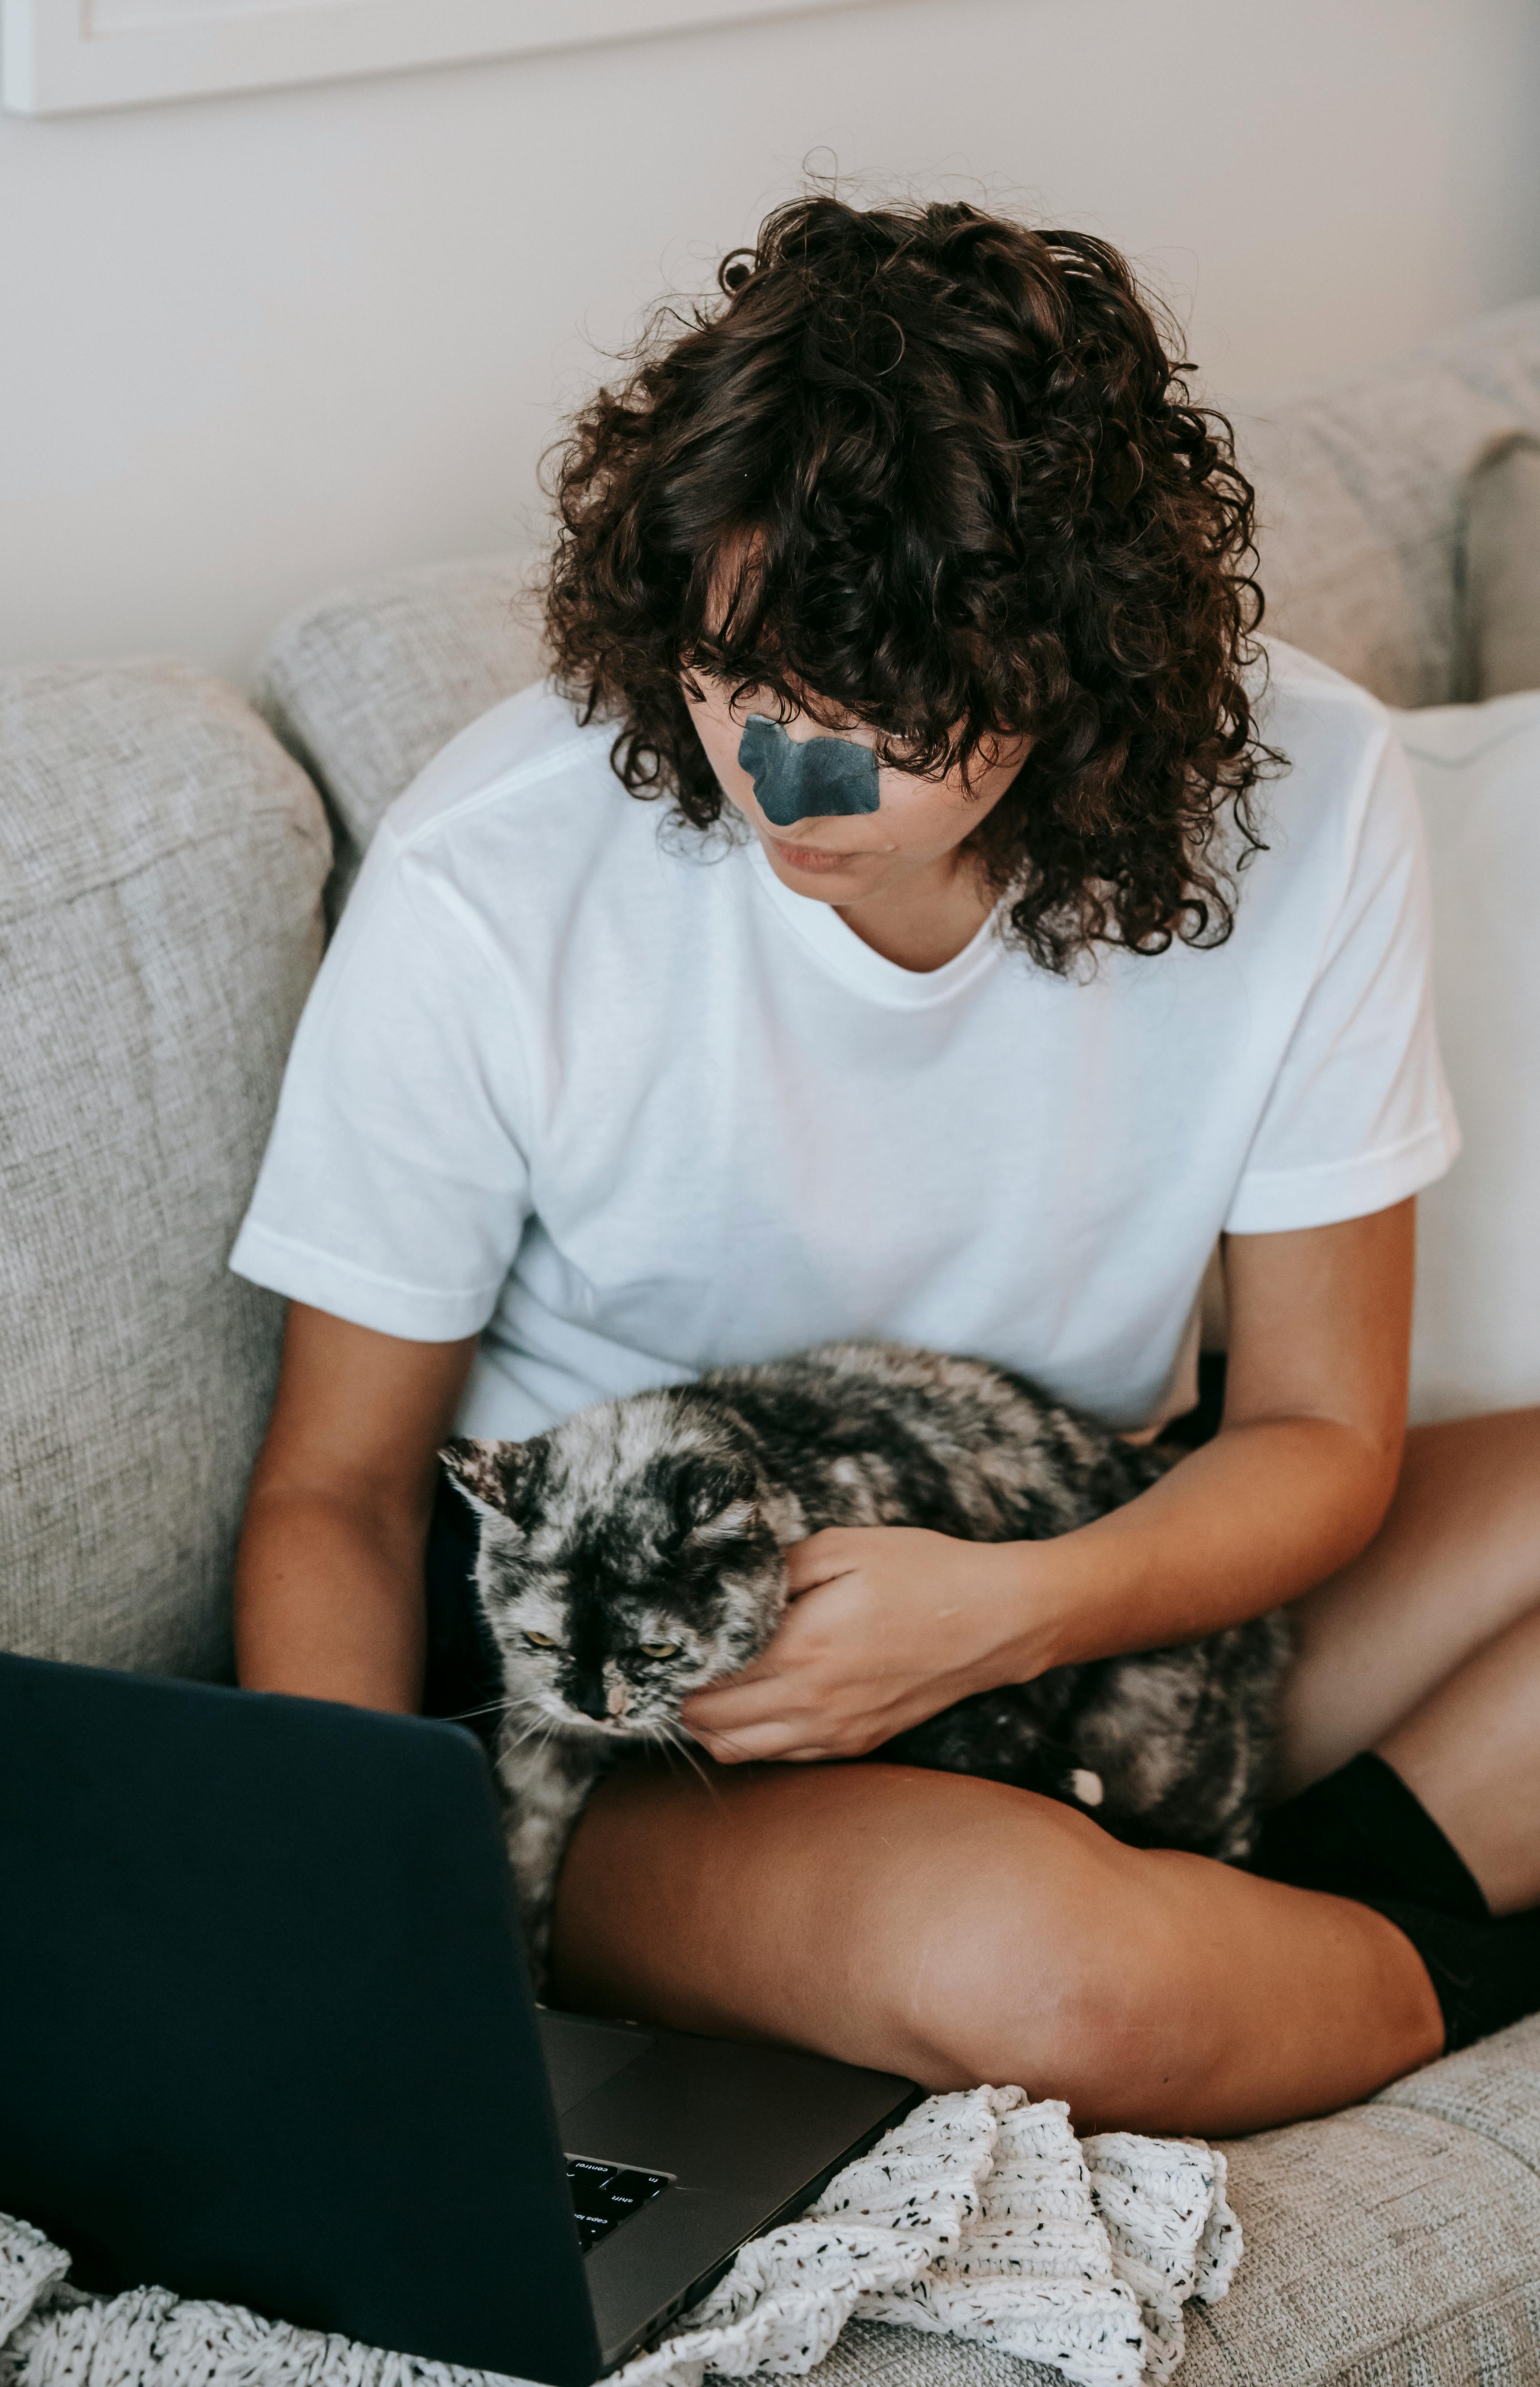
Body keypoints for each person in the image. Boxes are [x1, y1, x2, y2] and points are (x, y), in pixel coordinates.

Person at [229, 195, 1540, 2136]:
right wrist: (366, 1964)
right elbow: (337, 1495)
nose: (784, 782)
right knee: (1077, 1982)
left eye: (882, 722)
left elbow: (1318, 1437)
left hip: (1086, 1551)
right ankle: (1295, 1947)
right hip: (657, 1708)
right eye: (730, 679)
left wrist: (1002, 1611)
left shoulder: (1311, 794)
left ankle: (1280, 1927)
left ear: (1072, 666)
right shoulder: (494, 878)